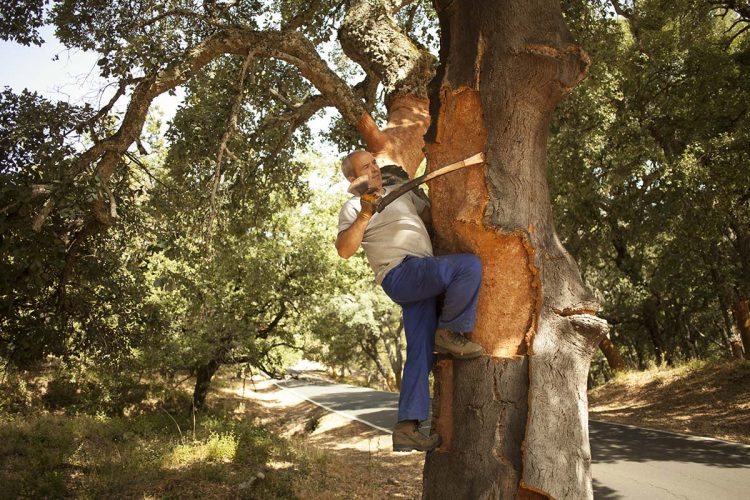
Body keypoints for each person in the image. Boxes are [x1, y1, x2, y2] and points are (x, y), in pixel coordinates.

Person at [335, 150, 484, 452]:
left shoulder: (399, 194)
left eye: (374, 163)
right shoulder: (352, 207)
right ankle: (449, 333)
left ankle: (407, 427)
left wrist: (427, 194)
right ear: (352, 178)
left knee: (420, 353)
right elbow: (344, 250)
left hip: (422, 275)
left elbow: (430, 215)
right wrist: (365, 213)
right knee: (467, 267)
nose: (374, 169)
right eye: (366, 167)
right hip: (401, 273)